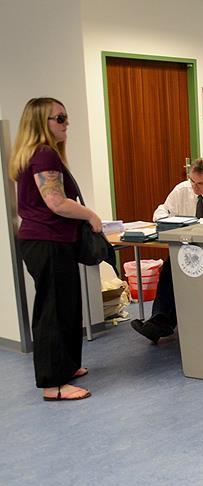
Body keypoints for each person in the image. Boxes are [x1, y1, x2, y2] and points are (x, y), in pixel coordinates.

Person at [9, 97, 102, 401]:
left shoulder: (37, 154)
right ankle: (53, 384)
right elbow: (56, 202)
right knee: (53, 310)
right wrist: (90, 215)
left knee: (67, 306)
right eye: (59, 118)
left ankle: (68, 365)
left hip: (52, 241)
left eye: (65, 117)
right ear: (41, 122)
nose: (66, 123)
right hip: (47, 242)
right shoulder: (45, 154)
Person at [129, 157, 203, 344]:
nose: (195, 187)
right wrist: (172, 222)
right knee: (169, 268)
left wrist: (201, 224)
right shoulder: (182, 189)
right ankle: (159, 321)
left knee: (184, 268)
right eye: (192, 181)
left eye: (200, 183)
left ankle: (166, 322)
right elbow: (161, 211)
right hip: (186, 248)